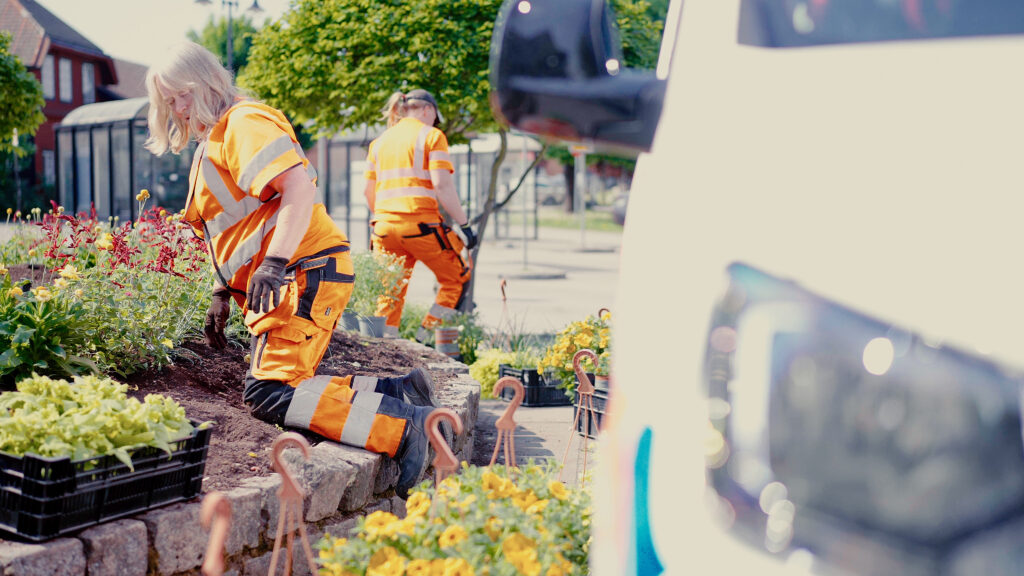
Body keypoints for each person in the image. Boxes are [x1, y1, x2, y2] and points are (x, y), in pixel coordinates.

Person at [144, 41, 441, 498]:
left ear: (205, 81)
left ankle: (403, 429)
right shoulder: (222, 133)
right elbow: (242, 220)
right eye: (169, 101)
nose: (178, 108)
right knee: (292, 385)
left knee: (269, 393)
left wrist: (275, 262)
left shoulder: (243, 122)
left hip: (301, 271)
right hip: (301, 272)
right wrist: (222, 290)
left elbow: (297, 190)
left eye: (181, 94)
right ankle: (399, 390)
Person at [363, 89, 477, 341]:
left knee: (389, 292)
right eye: (435, 117)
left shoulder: (379, 143)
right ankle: (423, 340)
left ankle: (384, 346)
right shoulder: (433, 136)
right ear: (428, 110)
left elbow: (367, 191)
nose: (435, 122)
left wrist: (387, 219)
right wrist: (465, 225)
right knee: (456, 280)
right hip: (421, 226)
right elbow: (442, 185)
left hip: (383, 228)